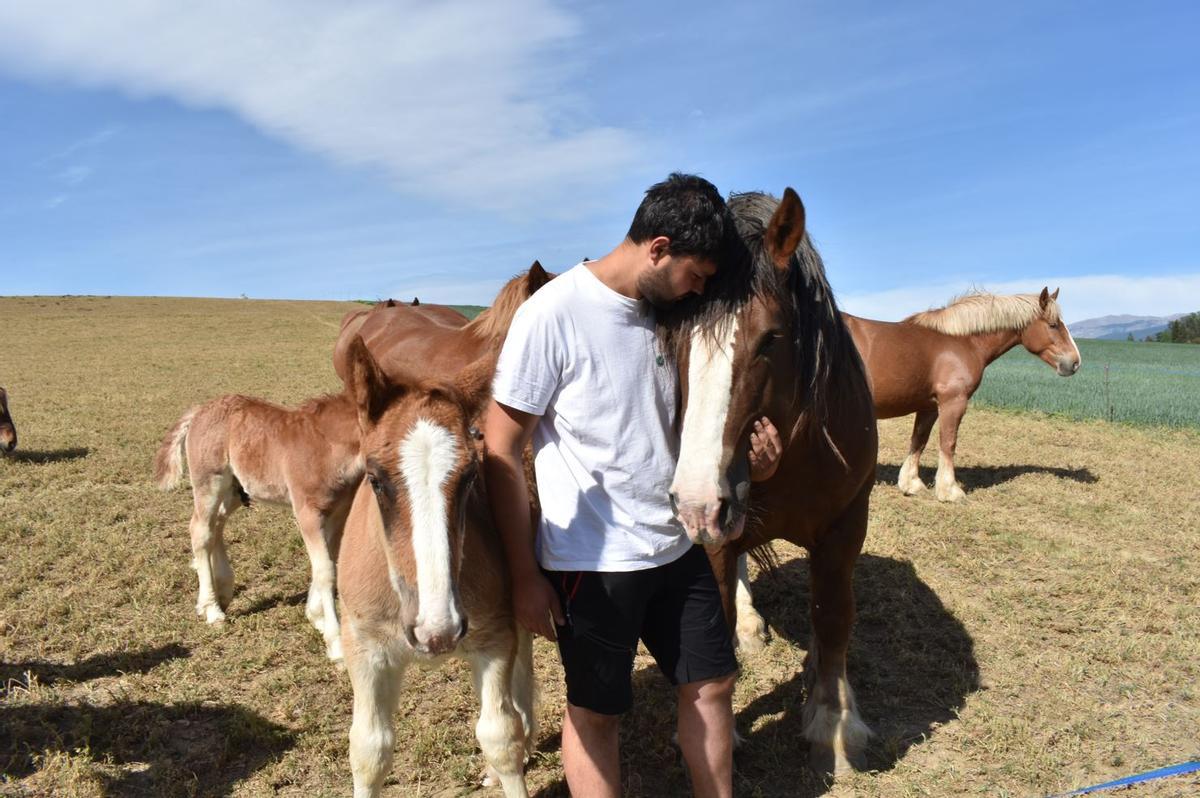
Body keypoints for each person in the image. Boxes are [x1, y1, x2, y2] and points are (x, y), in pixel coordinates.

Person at [483, 173, 781, 798]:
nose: (700, 290)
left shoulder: (673, 318)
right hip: (591, 562)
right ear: (658, 247)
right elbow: (502, 446)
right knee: (597, 714)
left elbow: (686, 428)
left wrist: (759, 464)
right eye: (696, 275)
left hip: (676, 547)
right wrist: (523, 574)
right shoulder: (552, 314)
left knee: (713, 684)